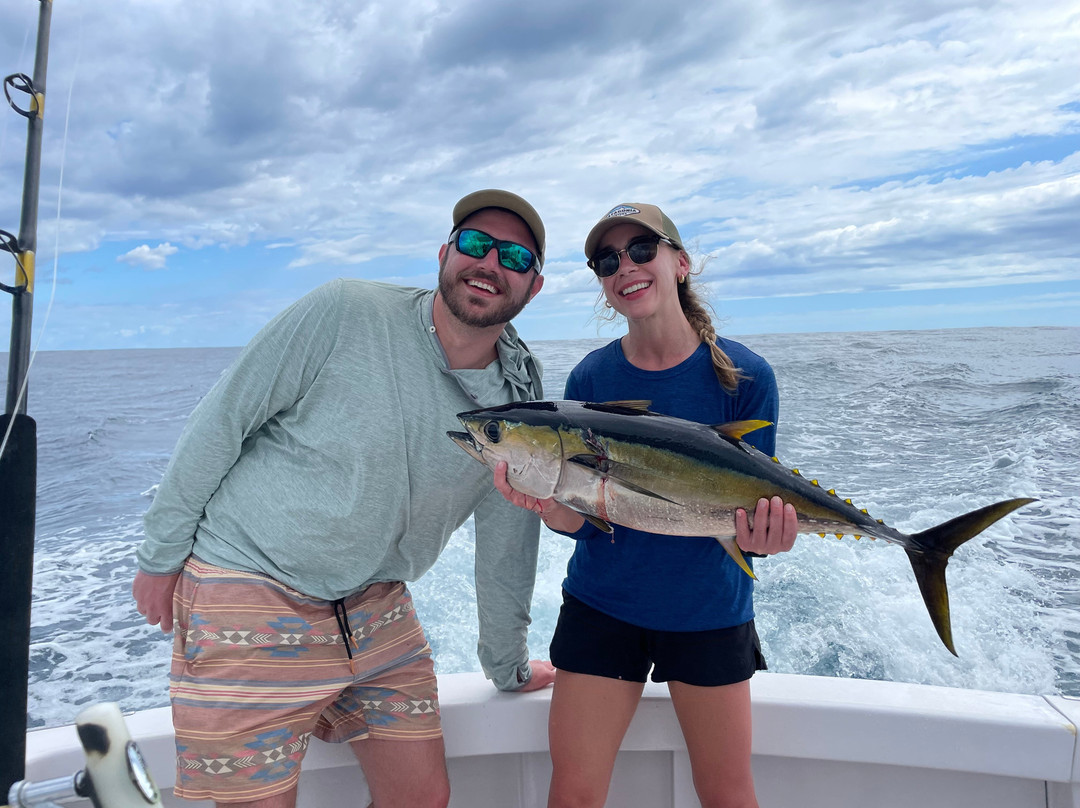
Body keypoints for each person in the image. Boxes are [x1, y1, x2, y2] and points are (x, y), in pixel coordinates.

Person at [132, 189, 557, 808]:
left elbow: (508, 531)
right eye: (474, 244)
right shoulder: (343, 310)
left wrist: (507, 663)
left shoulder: (519, 389)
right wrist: (160, 557)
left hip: (376, 603)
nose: (489, 263)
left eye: (514, 257)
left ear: (534, 286)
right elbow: (223, 419)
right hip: (252, 583)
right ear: (444, 253)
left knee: (423, 798)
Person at [494, 202, 798, 808]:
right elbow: (584, 522)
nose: (624, 266)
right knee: (573, 795)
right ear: (604, 285)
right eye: (607, 260)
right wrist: (547, 505)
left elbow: (750, 506)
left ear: (679, 262)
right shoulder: (590, 380)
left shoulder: (745, 376)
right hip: (603, 608)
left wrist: (767, 536)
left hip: (710, 612)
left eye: (641, 250)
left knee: (728, 795)